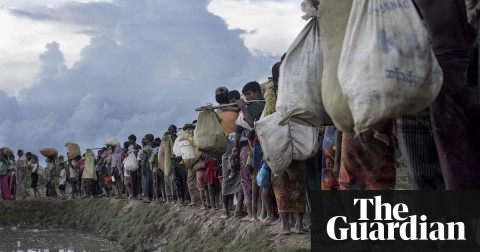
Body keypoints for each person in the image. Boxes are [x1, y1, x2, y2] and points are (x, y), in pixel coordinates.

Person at [233, 81, 265, 222]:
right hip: (254, 147)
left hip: (258, 148)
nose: (247, 98)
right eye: (245, 95)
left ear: (258, 93)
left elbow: (252, 123)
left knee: (255, 181)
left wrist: (242, 108)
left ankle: (256, 214)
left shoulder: (259, 105)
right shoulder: (254, 106)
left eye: (249, 94)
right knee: (253, 181)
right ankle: (255, 213)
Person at [216, 87, 243, 219]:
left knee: (229, 177)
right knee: (240, 176)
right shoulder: (238, 110)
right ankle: (237, 209)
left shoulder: (217, 114)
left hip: (226, 146)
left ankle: (227, 210)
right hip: (239, 144)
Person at [127, 134, 142, 200]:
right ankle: (134, 194)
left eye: (130, 140)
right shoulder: (130, 147)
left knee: (137, 181)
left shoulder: (137, 147)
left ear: (133, 140)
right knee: (133, 181)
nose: (129, 141)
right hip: (131, 166)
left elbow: (139, 156)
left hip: (136, 164)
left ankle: (138, 194)